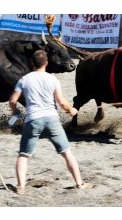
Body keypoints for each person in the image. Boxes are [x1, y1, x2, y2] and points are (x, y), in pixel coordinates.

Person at [9, 50, 92, 195]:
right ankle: (79, 183)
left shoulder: (24, 79)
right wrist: (71, 110)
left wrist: (15, 111)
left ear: (31, 63)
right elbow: (62, 103)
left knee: (23, 155)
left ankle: (21, 186)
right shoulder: (52, 79)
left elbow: (12, 101)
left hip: (33, 120)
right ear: (46, 63)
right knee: (67, 153)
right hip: (51, 120)